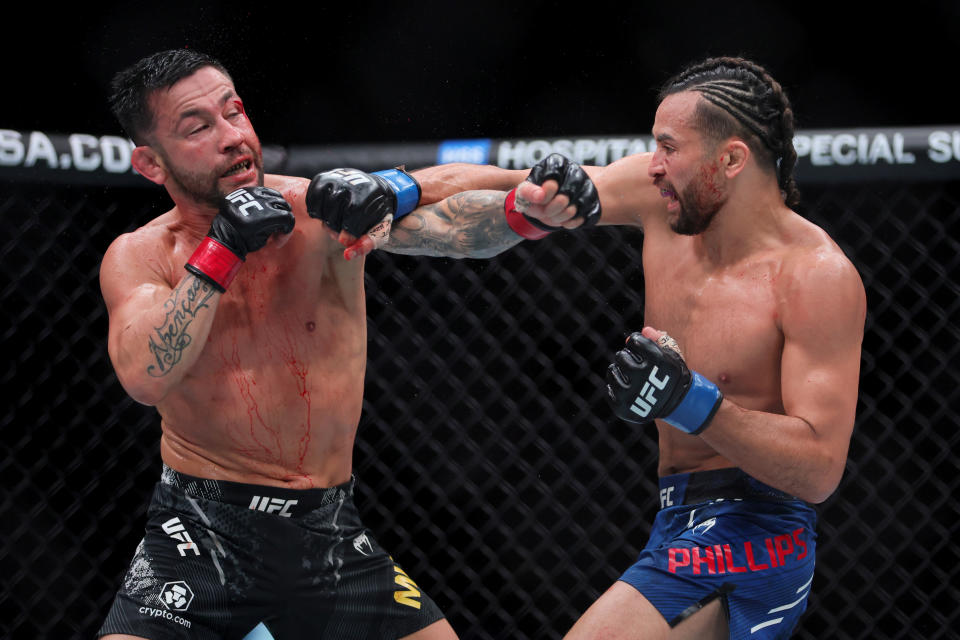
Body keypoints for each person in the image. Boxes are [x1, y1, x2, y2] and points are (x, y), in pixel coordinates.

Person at [96, 49, 600, 640]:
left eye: (235, 112)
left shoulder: (314, 212)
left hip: (329, 533)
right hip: (198, 535)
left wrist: (526, 201)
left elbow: (447, 214)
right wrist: (222, 250)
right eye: (199, 126)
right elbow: (144, 375)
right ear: (151, 164)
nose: (232, 137)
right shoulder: (141, 255)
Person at [512, 56, 866, 639]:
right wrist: (399, 189)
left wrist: (687, 398)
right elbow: (511, 188)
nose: (652, 166)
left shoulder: (814, 275)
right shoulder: (658, 200)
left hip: (758, 529)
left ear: (730, 159)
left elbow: (819, 471)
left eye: (668, 148)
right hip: (678, 514)